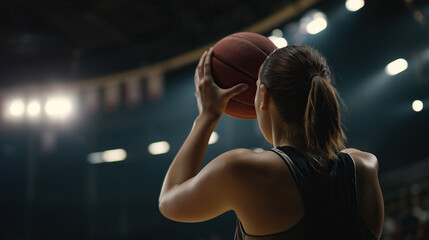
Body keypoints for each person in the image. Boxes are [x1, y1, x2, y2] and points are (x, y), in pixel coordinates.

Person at [159, 45, 384, 239]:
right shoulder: (364, 167)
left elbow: (168, 201)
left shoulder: (242, 169)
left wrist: (206, 117)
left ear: (263, 96)